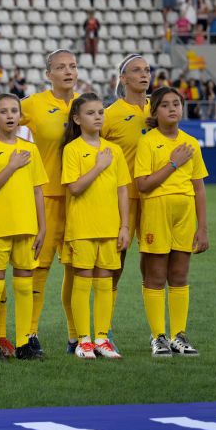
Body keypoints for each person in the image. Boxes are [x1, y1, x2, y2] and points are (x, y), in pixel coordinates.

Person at [134, 86, 209, 357]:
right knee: (155, 276)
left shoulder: (190, 143)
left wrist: (202, 228)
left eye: (176, 103)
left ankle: (179, 335)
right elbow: (143, 185)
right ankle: (158, 337)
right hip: (156, 212)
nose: (172, 108)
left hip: (185, 214)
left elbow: (199, 187)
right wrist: (173, 164)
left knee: (179, 275)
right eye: (165, 105)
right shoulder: (148, 142)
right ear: (154, 111)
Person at [18, 49, 81, 356]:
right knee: (38, 268)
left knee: (76, 267)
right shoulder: (32, 105)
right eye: (60, 67)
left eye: (72, 66)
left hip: (81, 198)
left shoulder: (87, 104)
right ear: (48, 74)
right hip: (44, 198)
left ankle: (76, 337)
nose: (68, 71)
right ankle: (29, 333)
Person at [0, 93, 46, 362]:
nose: (9, 116)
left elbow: (38, 191)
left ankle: (23, 342)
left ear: (20, 116)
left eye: (14, 111)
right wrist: (11, 165)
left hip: (27, 227)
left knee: (24, 286)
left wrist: (42, 228)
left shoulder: (31, 150)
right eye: (3, 112)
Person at [61, 93, 129, 360]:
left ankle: (102, 338)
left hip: (110, 227)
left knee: (104, 281)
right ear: (77, 119)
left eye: (100, 112)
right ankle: (83, 340)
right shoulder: (72, 150)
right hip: (82, 227)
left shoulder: (116, 150)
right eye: (91, 113)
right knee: (83, 281)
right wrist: (99, 166)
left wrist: (124, 226)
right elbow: (75, 188)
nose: (98, 116)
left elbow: (123, 190)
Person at [102, 54, 152, 329]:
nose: (144, 75)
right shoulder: (111, 115)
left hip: (155, 196)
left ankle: (156, 329)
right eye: (137, 71)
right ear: (123, 79)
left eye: (147, 70)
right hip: (122, 198)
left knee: (154, 262)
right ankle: (103, 327)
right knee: (115, 263)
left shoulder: (156, 109)